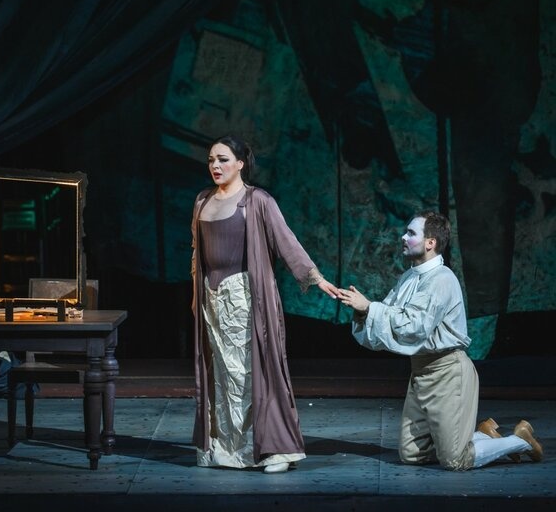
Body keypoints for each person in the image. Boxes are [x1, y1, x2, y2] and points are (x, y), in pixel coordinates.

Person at [337, 210, 543, 470]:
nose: (403, 237)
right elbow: (387, 325)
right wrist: (363, 312)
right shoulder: (409, 278)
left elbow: (414, 326)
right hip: (420, 372)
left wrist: (370, 307)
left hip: (448, 372)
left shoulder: (442, 279)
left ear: (430, 242)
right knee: (412, 454)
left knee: (455, 460)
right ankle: (483, 436)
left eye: (411, 233)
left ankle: (520, 440)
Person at [191, 135, 339, 473]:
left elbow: (287, 242)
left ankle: (275, 450)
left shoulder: (256, 200)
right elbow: (197, 253)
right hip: (212, 301)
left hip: (245, 299)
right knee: (223, 374)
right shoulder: (202, 200)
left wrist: (317, 279)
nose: (215, 165)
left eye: (223, 159)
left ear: (240, 163)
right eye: (212, 159)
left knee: (254, 372)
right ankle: (227, 447)